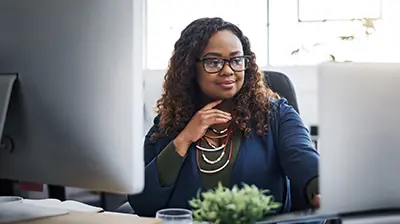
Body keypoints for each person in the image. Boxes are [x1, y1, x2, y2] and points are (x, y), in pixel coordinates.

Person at [128, 17, 320, 218]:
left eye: (236, 60)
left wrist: (320, 188)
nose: (228, 71)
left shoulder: (276, 115)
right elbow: (143, 204)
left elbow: (304, 159)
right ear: (189, 69)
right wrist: (184, 139)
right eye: (213, 62)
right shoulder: (168, 124)